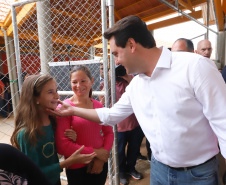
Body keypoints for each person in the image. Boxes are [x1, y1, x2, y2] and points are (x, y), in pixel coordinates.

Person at [48, 15, 226, 185]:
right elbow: (112, 115)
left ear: (131, 45)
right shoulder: (136, 84)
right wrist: (72, 110)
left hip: (197, 174)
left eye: (116, 53)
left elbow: (223, 121)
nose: (116, 61)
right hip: (159, 169)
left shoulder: (194, 67)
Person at [10, 74, 96, 185]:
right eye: (50, 92)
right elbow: (33, 173)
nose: (57, 96)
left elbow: (52, 152)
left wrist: (72, 139)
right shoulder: (27, 133)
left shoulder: (54, 122)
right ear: (35, 98)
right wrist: (67, 162)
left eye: (56, 90)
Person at [55, 65, 114, 185]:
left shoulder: (98, 105)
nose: (79, 85)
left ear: (91, 81)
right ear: (70, 83)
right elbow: (63, 146)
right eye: (74, 82)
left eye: (83, 81)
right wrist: (97, 153)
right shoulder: (64, 108)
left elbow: (109, 132)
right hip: (76, 166)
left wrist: (101, 159)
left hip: (99, 163)